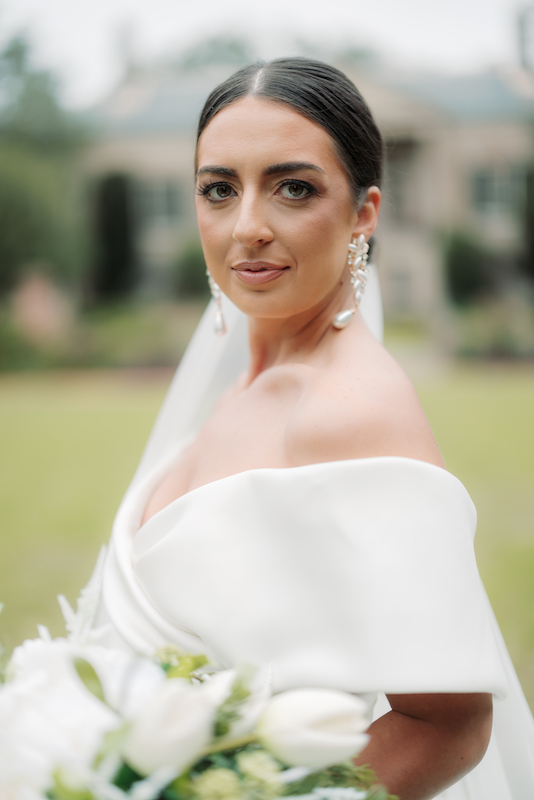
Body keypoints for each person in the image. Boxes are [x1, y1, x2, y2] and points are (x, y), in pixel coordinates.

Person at [95, 58, 534, 799]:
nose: (247, 227)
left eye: (293, 187)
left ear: (365, 212)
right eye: (218, 190)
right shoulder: (240, 381)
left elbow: (448, 727)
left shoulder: (351, 410)